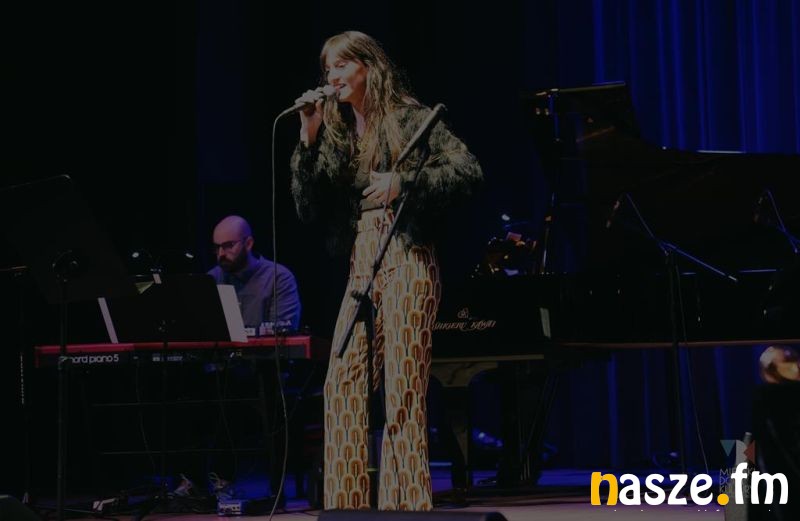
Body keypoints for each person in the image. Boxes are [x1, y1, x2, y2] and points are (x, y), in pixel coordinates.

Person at [289, 31, 483, 511]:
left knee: (402, 388)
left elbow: (467, 172)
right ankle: (346, 508)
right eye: (327, 68)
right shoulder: (335, 132)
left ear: (368, 66)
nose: (332, 76)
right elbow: (307, 208)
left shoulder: (411, 118)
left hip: (408, 256)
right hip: (363, 260)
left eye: (340, 65)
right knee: (342, 383)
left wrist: (405, 183)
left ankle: (406, 507)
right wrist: (308, 138)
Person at [208, 215, 301, 331]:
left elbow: (283, 334)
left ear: (248, 244)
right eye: (217, 247)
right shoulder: (212, 278)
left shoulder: (278, 278)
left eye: (228, 246)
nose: (221, 254)